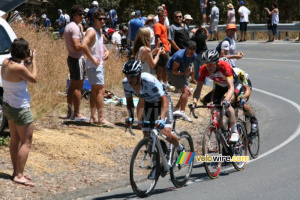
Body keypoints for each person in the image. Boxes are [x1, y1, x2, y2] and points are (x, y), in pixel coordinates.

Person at [122, 59, 184, 179]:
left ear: (139, 74)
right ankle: (156, 166)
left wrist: (162, 118)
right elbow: (129, 102)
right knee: (146, 135)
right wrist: (130, 117)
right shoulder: (126, 84)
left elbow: (164, 100)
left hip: (163, 102)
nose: (129, 80)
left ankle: (180, 148)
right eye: (127, 76)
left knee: (166, 132)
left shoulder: (149, 80)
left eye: (132, 77)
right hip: (149, 104)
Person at [1, 38, 37, 186]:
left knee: (14, 140)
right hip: (20, 108)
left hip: (8, 105)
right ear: (23, 52)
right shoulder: (20, 68)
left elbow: (18, 73)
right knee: (26, 142)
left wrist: (25, 63)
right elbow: (34, 78)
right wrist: (34, 62)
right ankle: (19, 175)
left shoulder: (6, 62)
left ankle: (16, 171)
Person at [192, 49, 239, 142]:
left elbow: (231, 88)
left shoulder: (224, 66)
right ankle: (222, 134)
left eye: (211, 64)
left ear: (217, 62)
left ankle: (234, 131)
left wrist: (226, 100)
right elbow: (198, 90)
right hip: (220, 86)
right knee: (216, 109)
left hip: (233, 85)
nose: (208, 67)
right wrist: (194, 102)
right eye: (206, 64)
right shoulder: (203, 69)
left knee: (227, 105)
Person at [82, 8, 113, 127]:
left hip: (96, 65)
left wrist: (107, 51)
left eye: (104, 19)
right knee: (101, 90)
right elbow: (83, 45)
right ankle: (101, 118)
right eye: (100, 19)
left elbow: (100, 44)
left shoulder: (98, 31)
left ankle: (93, 117)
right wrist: (92, 58)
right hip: (94, 65)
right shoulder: (91, 31)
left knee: (95, 90)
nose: (103, 21)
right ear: (94, 19)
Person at [64, 5, 87, 121]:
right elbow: (77, 45)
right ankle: (77, 113)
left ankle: (70, 111)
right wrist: (86, 45)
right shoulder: (74, 28)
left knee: (72, 86)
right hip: (77, 58)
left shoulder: (71, 26)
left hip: (72, 57)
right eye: (80, 14)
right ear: (74, 15)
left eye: (83, 14)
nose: (83, 16)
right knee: (78, 87)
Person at [167, 40, 197, 122]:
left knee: (188, 93)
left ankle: (176, 109)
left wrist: (188, 72)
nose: (192, 51)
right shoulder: (179, 56)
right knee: (186, 92)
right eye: (190, 49)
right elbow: (174, 71)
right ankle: (182, 112)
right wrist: (184, 73)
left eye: (194, 49)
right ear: (186, 48)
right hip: (172, 72)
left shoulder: (194, 56)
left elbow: (188, 64)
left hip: (182, 72)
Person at [154, 9, 174, 90]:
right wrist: (161, 49)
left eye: (165, 16)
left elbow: (165, 37)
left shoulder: (164, 25)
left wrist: (168, 45)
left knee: (165, 66)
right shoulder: (158, 25)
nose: (164, 17)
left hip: (166, 47)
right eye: (162, 16)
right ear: (159, 17)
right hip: (162, 49)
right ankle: (160, 82)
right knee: (161, 67)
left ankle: (165, 82)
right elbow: (157, 38)